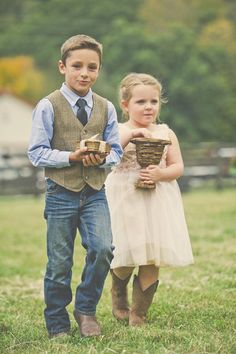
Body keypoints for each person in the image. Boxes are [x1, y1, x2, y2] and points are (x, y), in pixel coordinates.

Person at [28, 34, 123, 338]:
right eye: (77, 66)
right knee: (59, 263)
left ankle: (86, 309)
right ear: (62, 67)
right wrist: (71, 156)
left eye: (92, 67)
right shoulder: (48, 106)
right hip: (60, 194)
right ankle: (57, 323)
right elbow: (36, 152)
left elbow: (117, 152)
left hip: (95, 192)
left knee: (103, 248)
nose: (85, 73)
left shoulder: (106, 107)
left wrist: (102, 159)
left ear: (99, 70)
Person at [105, 73, 194, 326]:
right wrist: (133, 136)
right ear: (125, 105)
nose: (148, 107)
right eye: (140, 102)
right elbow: (110, 155)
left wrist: (161, 173)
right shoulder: (120, 130)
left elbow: (177, 167)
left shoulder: (166, 132)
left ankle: (139, 313)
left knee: (152, 255)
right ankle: (118, 293)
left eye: (153, 102)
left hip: (157, 201)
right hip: (126, 200)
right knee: (125, 253)